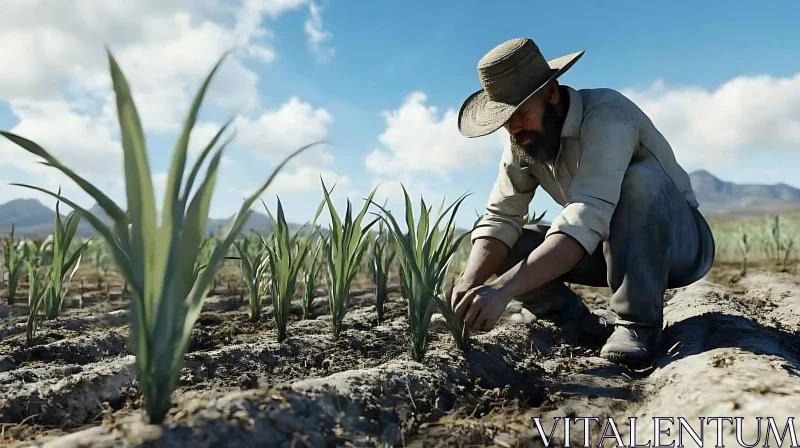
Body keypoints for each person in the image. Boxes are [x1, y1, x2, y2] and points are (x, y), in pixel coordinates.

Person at [451, 37, 715, 367]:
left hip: (680, 248)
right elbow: (501, 217)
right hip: (607, 250)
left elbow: (586, 213)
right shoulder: (523, 140)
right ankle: (576, 324)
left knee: (640, 180)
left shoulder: (607, 117)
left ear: (552, 92)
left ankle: (637, 325)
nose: (514, 126)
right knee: (514, 238)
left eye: (521, 111)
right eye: (505, 118)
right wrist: (468, 283)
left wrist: (502, 290)